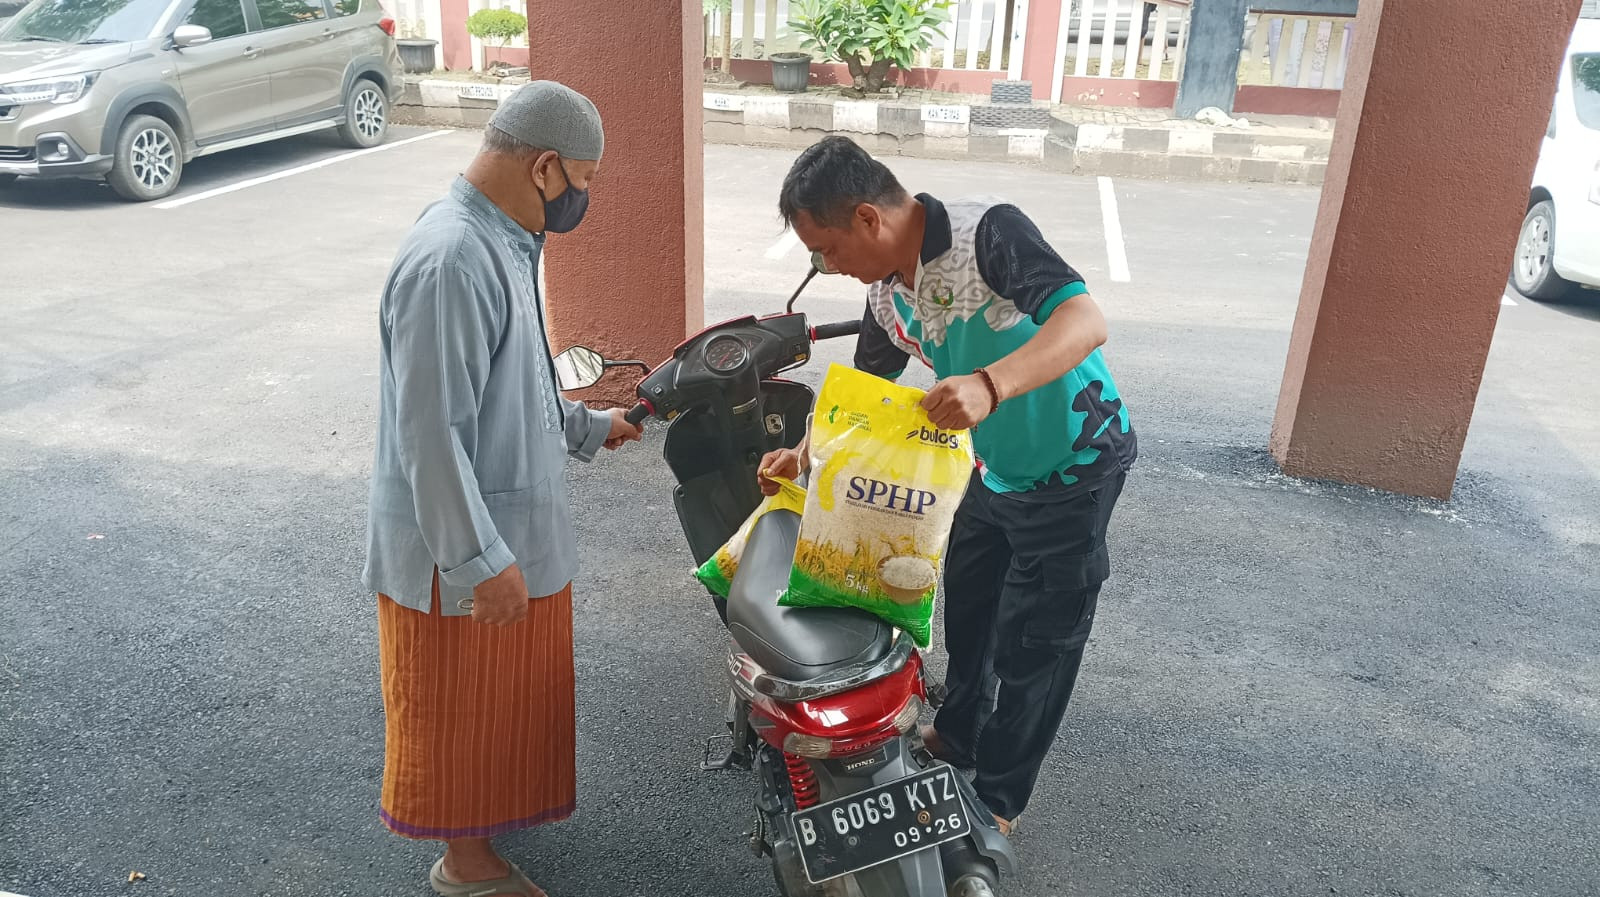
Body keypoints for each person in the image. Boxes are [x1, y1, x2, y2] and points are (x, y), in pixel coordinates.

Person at [758, 136, 1136, 836]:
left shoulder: (987, 232)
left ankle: (998, 797)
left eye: (827, 250)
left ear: (869, 218)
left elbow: (1085, 320)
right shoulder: (885, 295)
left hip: (1072, 465)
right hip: (990, 468)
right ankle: (959, 733)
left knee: (1036, 643)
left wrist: (992, 385)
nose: (827, 268)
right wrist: (802, 451)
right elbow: (863, 393)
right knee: (968, 609)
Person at [362, 81, 641, 897]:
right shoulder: (452, 257)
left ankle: (483, 834)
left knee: (502, 704)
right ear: (546, 166)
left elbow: (519, 383)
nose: (582, 200)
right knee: (458, 710)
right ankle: (465, 864)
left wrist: (592, 424)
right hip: (460, 546)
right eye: (582, 182)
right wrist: (480, 559)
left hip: (504, 528)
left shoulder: (503, 240)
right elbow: (429, 431)